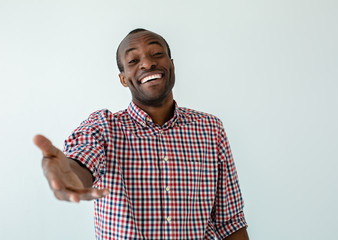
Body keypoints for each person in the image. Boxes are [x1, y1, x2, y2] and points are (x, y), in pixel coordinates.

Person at [34, 28, 249, 240]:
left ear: (172, 66)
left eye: (157, 54)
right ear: (123, 79)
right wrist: (65, 173)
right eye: (133, 61)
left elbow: (229, 222)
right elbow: (78, 163)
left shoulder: (210, 129)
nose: (147, 63)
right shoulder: (103, 127)